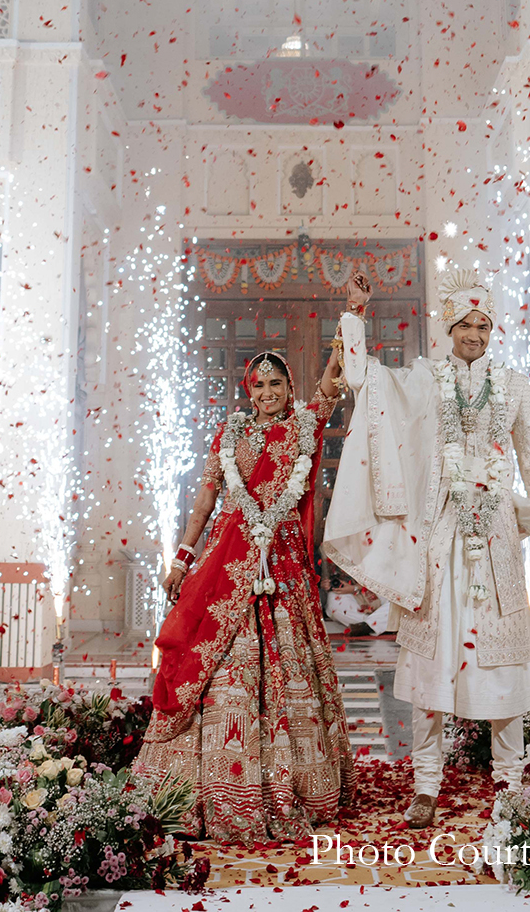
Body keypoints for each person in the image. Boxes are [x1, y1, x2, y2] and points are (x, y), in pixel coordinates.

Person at [323, 265, 530, 829]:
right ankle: (425, 786)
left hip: (496, 543)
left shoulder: (514, 386)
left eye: (483, 326)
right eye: (465, 324)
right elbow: (365, 378)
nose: (474, 334)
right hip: (441, 543)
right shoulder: (425, 379)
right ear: (448, 328)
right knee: (429, 667)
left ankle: (509, 787)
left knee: (505, 665)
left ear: (493, 331)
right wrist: (356, 313)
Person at [132, 338, 357, 844]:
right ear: (248, 390)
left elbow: (326, 391)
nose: (268, 392)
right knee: (213, 669)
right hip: (226, 564)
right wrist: (183, 558)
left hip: (280, 569)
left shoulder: (301, 428)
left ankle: (288, 782)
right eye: (260, 384)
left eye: (277, 383)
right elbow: (205, 500)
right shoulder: (229, 436)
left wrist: (352, 318)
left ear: (288, 388)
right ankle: (208, 787)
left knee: (285, 668)